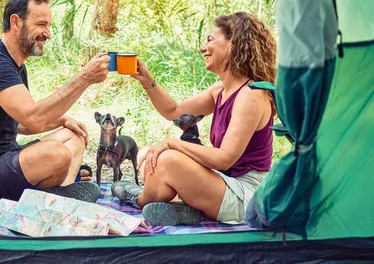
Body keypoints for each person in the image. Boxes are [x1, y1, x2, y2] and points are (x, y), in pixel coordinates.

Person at [112, 12, 277, 226]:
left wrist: (173, 143)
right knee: (146, 155)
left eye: (210, 40)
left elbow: (224, 158)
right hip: (222, 183)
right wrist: (146, 79)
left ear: (234, 43)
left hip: (246, 197)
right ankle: (186, 210)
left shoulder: (251, 94)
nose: (202, 48)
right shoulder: (221, 89)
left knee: (167, 159)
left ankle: (139, 198)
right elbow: (173, 111)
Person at [0, 0, 110, 206]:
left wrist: (62, 121)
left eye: (48, 26)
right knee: (56, 154)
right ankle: (57, 194)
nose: (48, 34)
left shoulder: (16, 66)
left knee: (74, 136)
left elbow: (17, 123)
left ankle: (60, 192)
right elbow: (32, 118)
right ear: (16, 21)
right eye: (41, 24)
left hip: (5, 158)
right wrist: (84, 78)